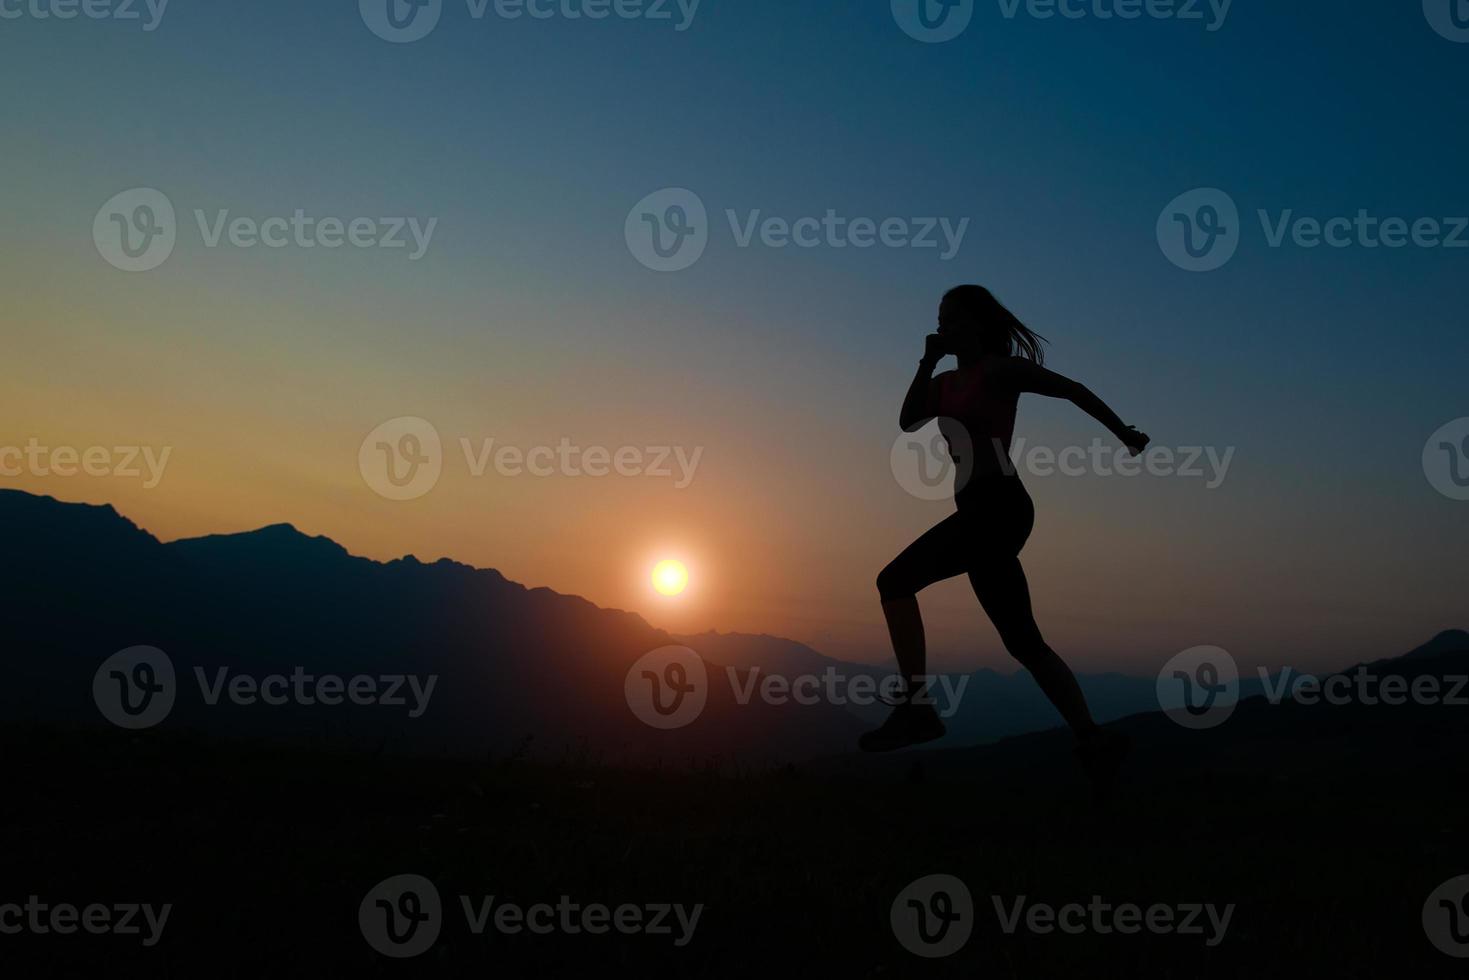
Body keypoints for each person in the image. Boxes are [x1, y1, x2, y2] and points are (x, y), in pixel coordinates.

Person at [864, 285, 1146, 783]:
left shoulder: (998, 370)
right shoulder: (945, 382)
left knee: (895, 581)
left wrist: (1123, 433)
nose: (941, 326)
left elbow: (1071, 389)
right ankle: (1093, 739)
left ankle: (916, 707)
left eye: (950, 317)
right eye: (939, 317)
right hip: (977, 510)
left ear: (977, 322)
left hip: (999, 506)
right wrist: (925, 363)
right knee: (1022, 640)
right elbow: (909, 421)